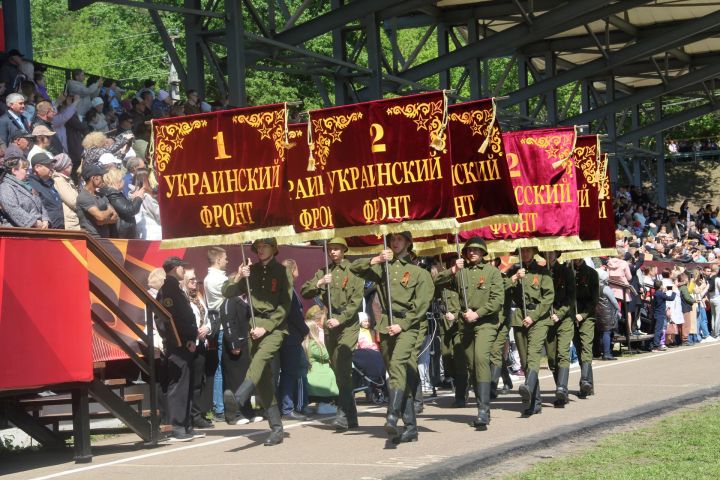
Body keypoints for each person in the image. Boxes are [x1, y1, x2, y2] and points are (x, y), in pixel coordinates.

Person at [350, 232, 433, 444]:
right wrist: (376, 259)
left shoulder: (418, 273)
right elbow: (355, 268)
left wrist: (403, 324)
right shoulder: (382, 269)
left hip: (408, 327)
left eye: (399, 240)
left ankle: (392, 415)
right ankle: (411, 427)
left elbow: (422, 306)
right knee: (396, 373)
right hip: (386, 326)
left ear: (407, 243)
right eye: (392, 240)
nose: (395, 243)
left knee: (397, 366)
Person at [222, 238, 291, 446]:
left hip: (274, 327)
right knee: (263, 379)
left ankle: (240, 396)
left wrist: (267, 327)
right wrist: (238, 277)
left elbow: (284, 305)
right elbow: (227, 293)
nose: (260, 250)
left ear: (274, 249)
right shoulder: (250, 271)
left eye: (264, 247)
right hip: (253, 325)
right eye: (258, 248)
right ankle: (277, 428)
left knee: (259, 360)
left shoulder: (282, 271)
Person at [435, 237, 504, 429]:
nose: (472, 253)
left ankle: (483, 411)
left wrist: (478, 313)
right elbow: (436, 283)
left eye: (476, 250)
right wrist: (452, 270)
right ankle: (482, 403)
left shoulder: (492, 273)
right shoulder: (460, 272)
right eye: (469, 250)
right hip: (465, 324)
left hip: (486, 322)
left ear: (483, 253)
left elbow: (498, 300)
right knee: (472, 365)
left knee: (481, 358)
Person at [300, 237, 364, 431]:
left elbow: (355, 301)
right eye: (331, 249)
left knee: (343, 365)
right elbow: (305, 291)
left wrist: (341, 318)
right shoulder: (323, 271)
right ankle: (351, 417)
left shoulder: (353, 271)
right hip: (330, 326)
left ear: (344, 250)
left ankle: (343, 414)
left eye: (337, 249)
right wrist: (319, 283)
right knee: (338, 371)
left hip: (347, 325)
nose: (333, 252)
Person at [155, 256, 205, 442]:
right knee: (179, 385)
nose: (184, 270)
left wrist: (190, 337)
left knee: (186, 385)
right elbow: (170, 320)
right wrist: (184, 339)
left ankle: (185, 425)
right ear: (175, 268)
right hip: (178, 344)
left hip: (183, 342)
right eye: (182, 268)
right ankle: (177, 426)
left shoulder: (174, 288)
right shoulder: (169, 289)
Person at [506, 248, 554, 417]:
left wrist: (533, 316)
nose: (525, 253)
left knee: (534, 353)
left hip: (538, 318)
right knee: (526, 359)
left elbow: (548, 297)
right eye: (521, 251)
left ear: (534, 252)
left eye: (528, 251)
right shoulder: (513, 271)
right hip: (519, 317)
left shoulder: (542, 272)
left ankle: (528, 390)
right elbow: (501, 289)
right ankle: (534, 401)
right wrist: (514, 278)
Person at [181, 267, 217, 430]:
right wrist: (195, 332)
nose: (195, 283)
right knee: (188, 382)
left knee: (198, 381)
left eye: (196, 280)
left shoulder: (198, 297)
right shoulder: (182, 298)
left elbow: (207, 318)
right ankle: (189, 416)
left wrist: (207, 329)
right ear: (183, 282)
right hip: (188, 344)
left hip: (201, 343)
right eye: (191, 280)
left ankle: (196, 415)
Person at [277, 258, 311, 420]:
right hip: (290, 337)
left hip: (287, 336)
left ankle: (287, 405)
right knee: (290, 373)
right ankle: (287, 407)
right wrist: (305, 330)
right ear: (293, 270)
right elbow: (293, 314)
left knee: (287, 373)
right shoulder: (288, 289)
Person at [543, 251, 575, 408]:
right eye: (546, 252)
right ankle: (561, 389)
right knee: (551, 358)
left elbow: (571, 296)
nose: (549, 255)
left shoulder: (566, 271)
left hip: (564, 318)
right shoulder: (541, 272)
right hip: (547, 320)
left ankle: (561, 389)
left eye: (551, 253)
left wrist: (560, 313)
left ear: (556, 254)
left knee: (562, 353)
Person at [203, 246, 229, 423]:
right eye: (225, 258)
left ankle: (223, 406)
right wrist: (240, 277)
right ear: (219, 259)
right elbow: (232, 291)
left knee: (225, 367)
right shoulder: (214, 279)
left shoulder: (215, 277)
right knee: (221, 367)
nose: (227, 260)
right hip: (222, 327)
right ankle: (219, 407)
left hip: (224, 326)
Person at [303, 306, 339, 414]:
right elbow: (326, 355)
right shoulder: (314, 344)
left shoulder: (305, 343)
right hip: (320, 373)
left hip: (311, 372)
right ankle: (324, 404)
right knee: (329, 376)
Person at [573, 258, 600, 398]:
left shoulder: (591, 273)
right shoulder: (568, 272)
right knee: (579, 350)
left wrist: (582, 315)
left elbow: (594, 299)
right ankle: (587, 385)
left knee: (586, 348)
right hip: (572, 316)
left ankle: (586, 381)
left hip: (587, 316)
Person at [0, 156, 48, 228]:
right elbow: (13, 210)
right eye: (26, 169)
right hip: (19, 233)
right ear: (15, 170)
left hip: (37, 230)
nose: (28, 173)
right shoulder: (5, 187)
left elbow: (40, 205)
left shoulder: (27, 185)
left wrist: (45, 219)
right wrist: (34, 222)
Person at [75, 163, 118, 238]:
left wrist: (103, 221)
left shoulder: (101, 195)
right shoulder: (83, 197)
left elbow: (115, 217)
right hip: (92, 240)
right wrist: (108, 211)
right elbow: (100, 217)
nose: (103, 179)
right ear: (94, 178)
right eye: (101, 177)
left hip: (105, 238)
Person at [101, 168, 144, 239]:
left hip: (123, 232)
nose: (124, 181)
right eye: (122, 179)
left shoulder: (115, 193)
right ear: (117, 181)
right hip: (121, 233)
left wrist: (134, 198)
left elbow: (125, 207)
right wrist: (139, 198)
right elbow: (131, 210)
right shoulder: (113, 195)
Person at [27, 152, 64, 229]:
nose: (52, 168)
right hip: (47, 231)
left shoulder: (50, 183)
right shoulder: (31, 185)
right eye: (48, 165)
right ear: (37, 167)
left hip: (59, 229)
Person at [596, 268, 621, 361]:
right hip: (607, 312)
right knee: (607, 332)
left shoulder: (594, 287)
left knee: (601, 333)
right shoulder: (605, 288)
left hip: (598, 312)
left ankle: (601, 352)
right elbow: (614, 301)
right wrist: (618, 309)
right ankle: (607, 353)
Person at [52, 153, 80, 230]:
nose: (72, 166)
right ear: (64, 166)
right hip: (71, 223)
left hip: (74, 220)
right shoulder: (59, 181)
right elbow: (73, 201)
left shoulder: (66, 180)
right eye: (70, 164)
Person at [652, 279, 677, 352]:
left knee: (659, 330)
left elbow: (662, 298)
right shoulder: (660, 294)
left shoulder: (657, 293)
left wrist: (664, 292)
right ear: (660, 286)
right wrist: (674, 292)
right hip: (660, 314)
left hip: (658, 313)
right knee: (658, 330)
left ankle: (658, 345)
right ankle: (656, 346)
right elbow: (671, 298)